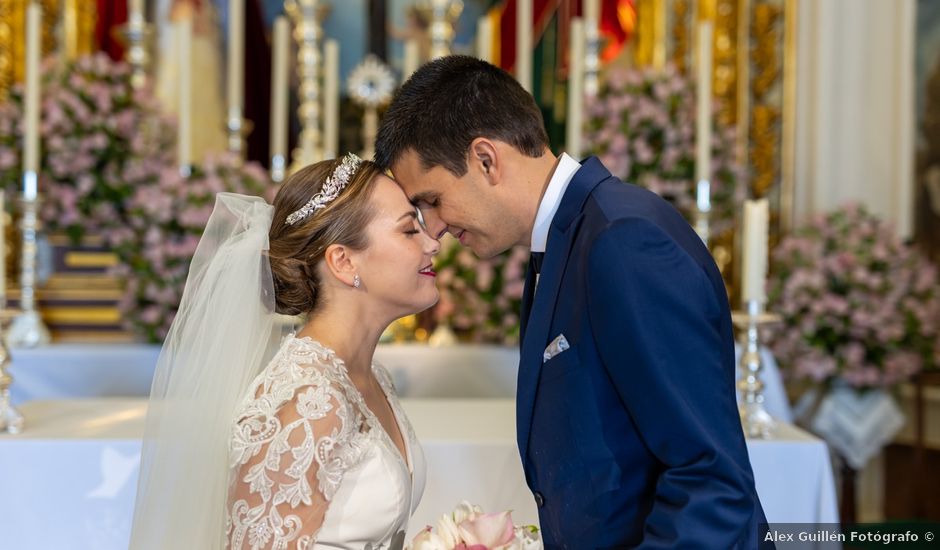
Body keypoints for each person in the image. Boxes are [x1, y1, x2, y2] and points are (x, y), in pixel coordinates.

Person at [374, 56, 769, 548]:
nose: (432, 229)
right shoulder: (568, 240)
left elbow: (709, 478)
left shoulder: (624, 241)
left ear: (485, 159)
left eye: (432, 200)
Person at [130, 154, 440, 549]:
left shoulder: (372, 375)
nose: (433, 244)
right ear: (343, 261)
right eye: (410, 230)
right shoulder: (305, 400)